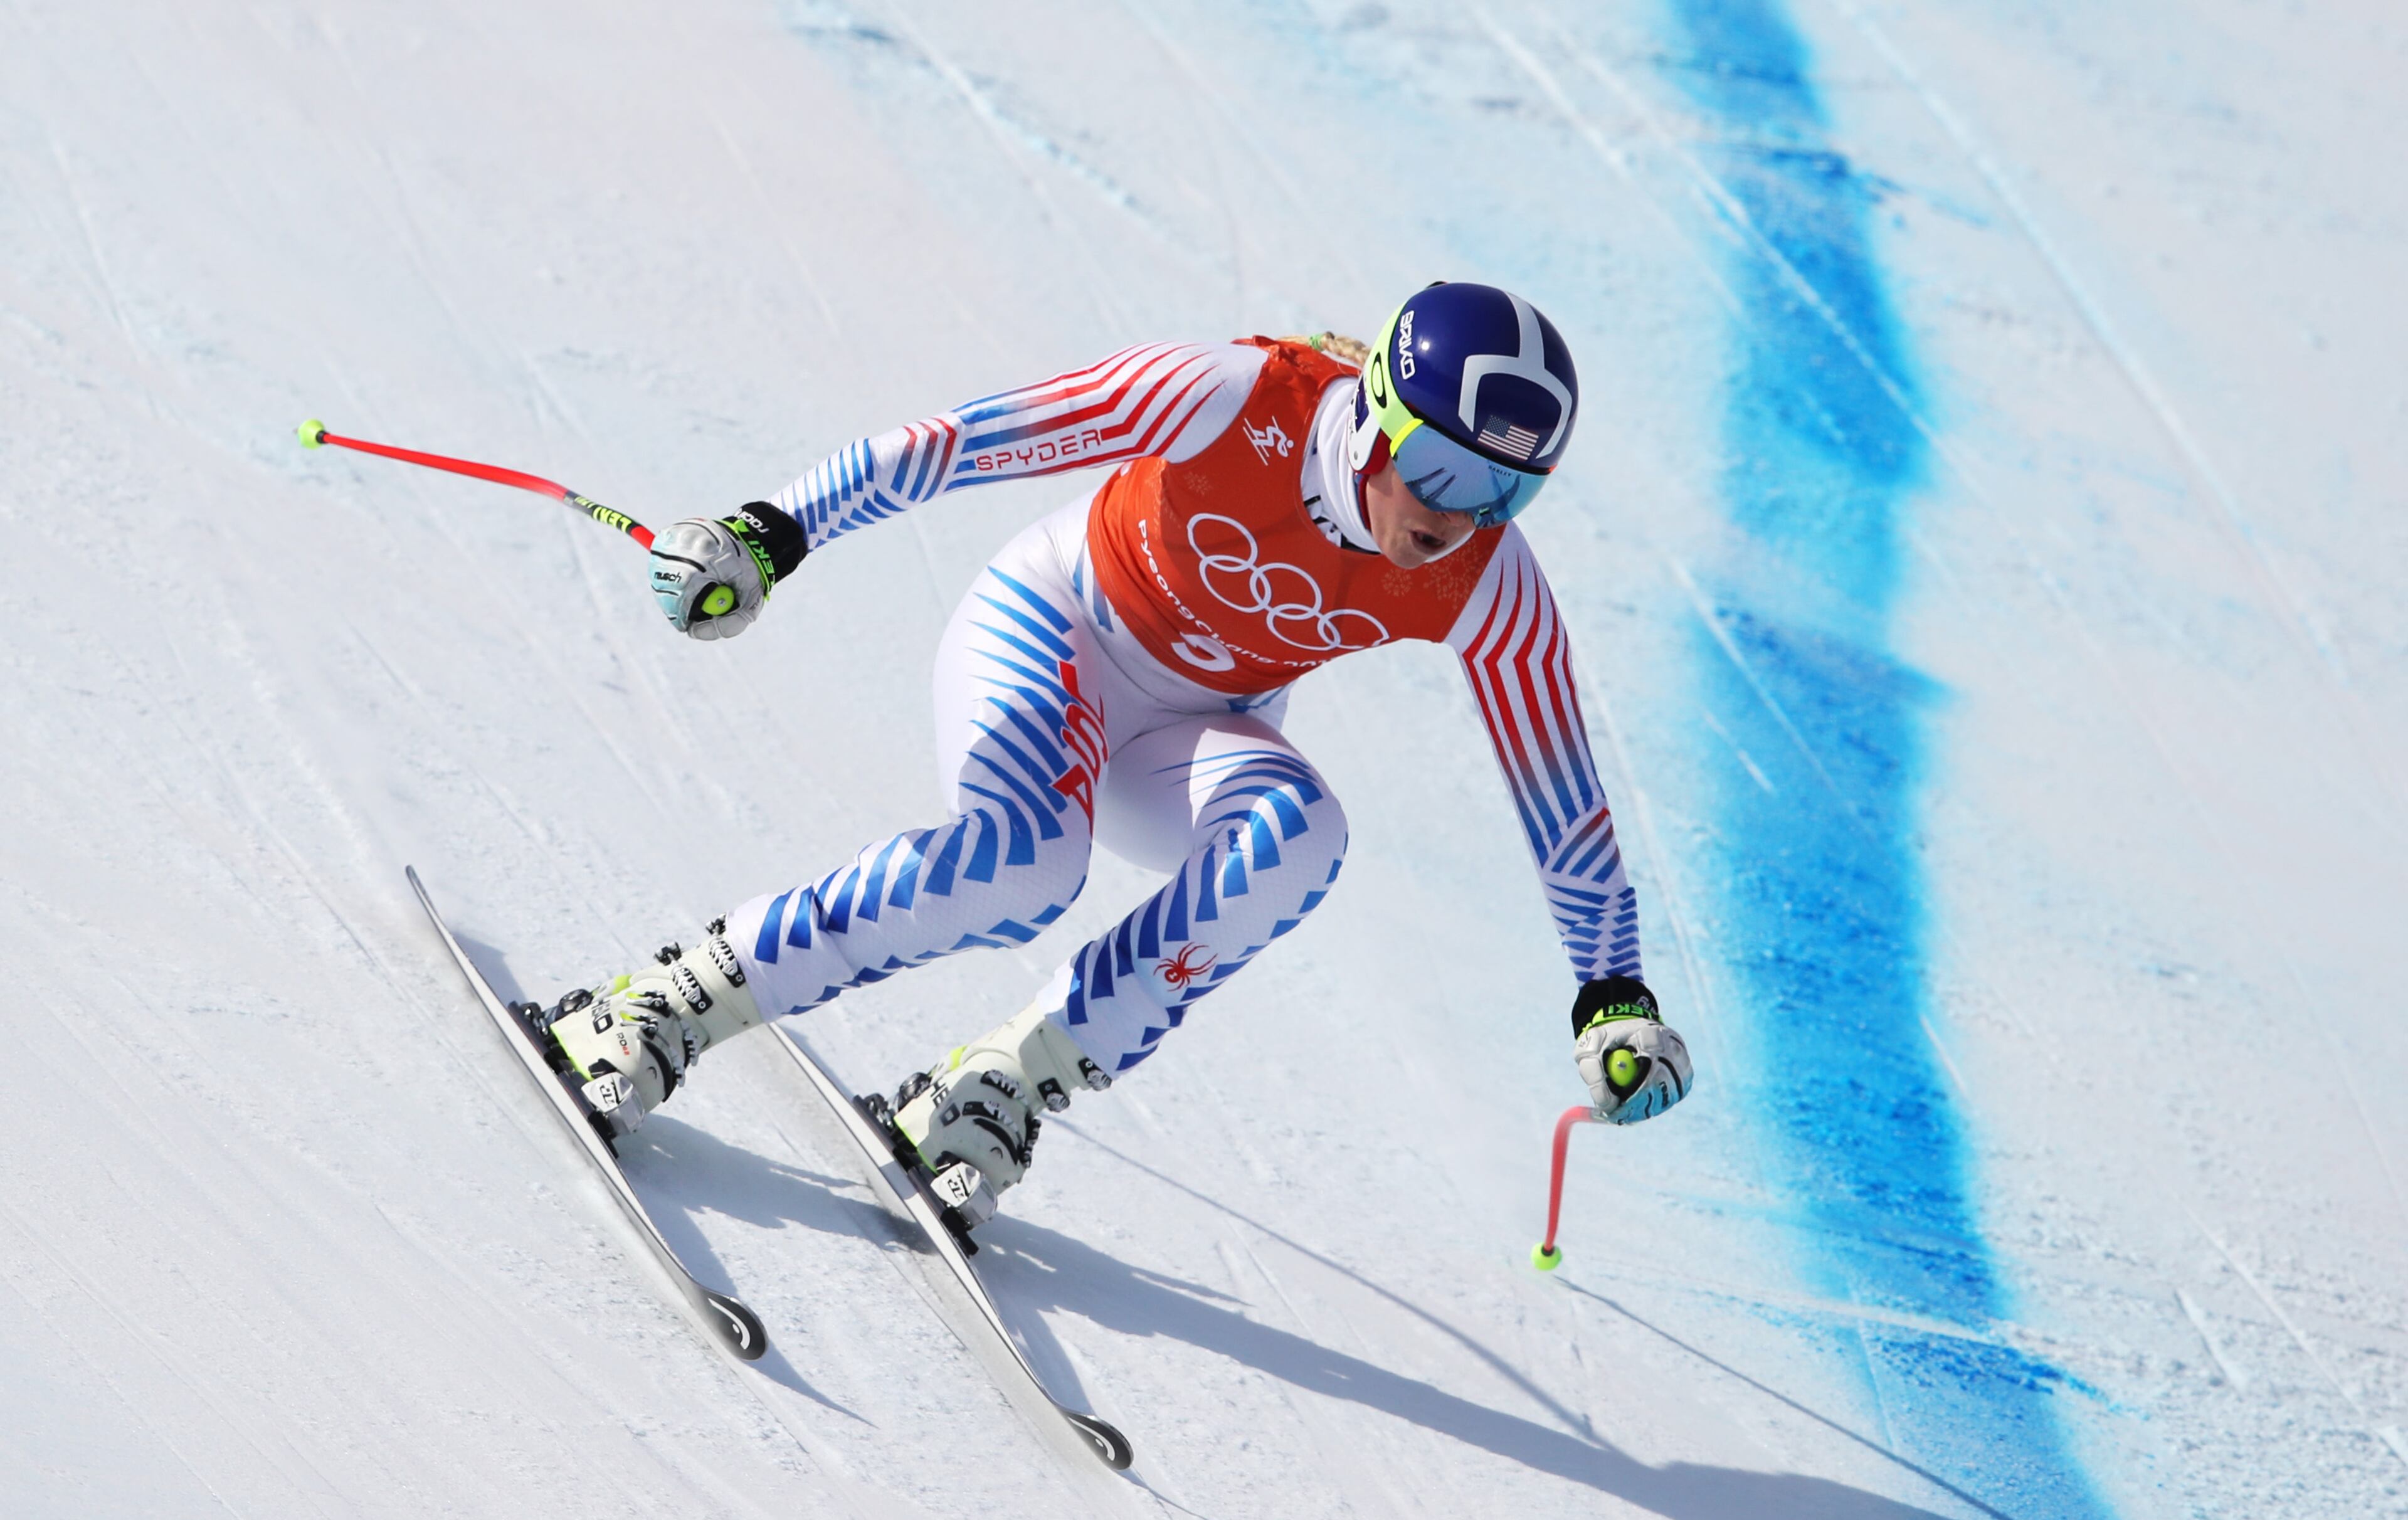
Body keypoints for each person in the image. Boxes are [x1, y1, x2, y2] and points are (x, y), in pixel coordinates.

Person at [536, 281, 1695, 1231]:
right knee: (1023, 869)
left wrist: (1613, 991)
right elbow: (971, 441)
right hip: (1058, 631)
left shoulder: (1481, 576)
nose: (1463, 513)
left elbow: (1563, 801)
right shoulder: (1237, 397)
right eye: (1447, 471)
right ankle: (657, 1009)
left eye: (1510, 490)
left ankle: (999, 1086)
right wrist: (771, 532)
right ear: (1382, 418)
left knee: (1301, 838)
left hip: (1187, 734)